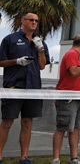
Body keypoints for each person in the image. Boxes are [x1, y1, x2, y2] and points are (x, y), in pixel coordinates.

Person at [0, 12, 50, 164]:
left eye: (36, 20)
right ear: (23, 21)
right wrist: (17, 61)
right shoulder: (10, 39)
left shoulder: (40, 42)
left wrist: (40, 48)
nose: (34, 22)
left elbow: (42, 66)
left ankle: (24, 158)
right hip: (14, 86)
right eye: (31, 20)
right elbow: (1, 62)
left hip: (33, 88)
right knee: (7, 122)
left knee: (28, 122)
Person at [52, 35, 80, 164]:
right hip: (67, 98)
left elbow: (73, 75)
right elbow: (74, 71)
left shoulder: (74, 55)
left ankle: (74, 157)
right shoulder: (72, 54)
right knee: (62, 128)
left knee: (75, 129)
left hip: (75, 98)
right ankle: (56, 159)